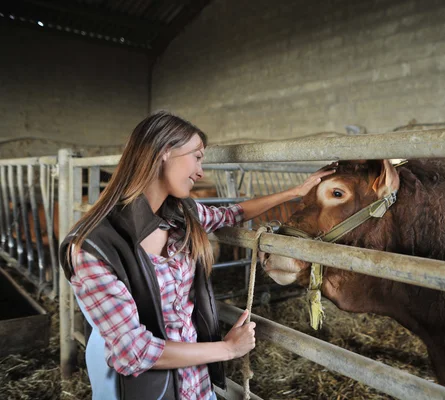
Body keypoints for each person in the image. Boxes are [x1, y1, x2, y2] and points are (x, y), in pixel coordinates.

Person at [59, 111, 336, 400]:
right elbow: (134, 352)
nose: (201, 171)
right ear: (164, 152)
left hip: (195, 383)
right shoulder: (92, 247)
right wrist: (227, 349)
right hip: (141, 390)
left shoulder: (180, 214)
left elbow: (232, 214)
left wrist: (296, 191)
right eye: (197, 156)